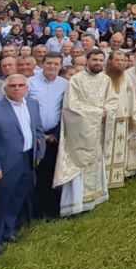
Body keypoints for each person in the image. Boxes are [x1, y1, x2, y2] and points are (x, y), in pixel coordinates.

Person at [0, 75, 44, 257]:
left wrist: (39, 153)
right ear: (5, 89)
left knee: (17, 198)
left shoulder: (32, 105)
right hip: (4, 162)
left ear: (27, 88)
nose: (17, 89)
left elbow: (38, 130)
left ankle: (8, 231)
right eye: (12, 86)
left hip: (27, 159)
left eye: (21, 85)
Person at [53, 50, 111, 217]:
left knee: (95, 162)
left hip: (98, 129)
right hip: (80, 131)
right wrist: (98, 112)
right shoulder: (76, 80)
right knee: (79, 162)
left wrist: (107, 111)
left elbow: (111, 102)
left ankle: (93, 199)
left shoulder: (106, 79)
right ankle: (75, 204)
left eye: (101, 60)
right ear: (87, 60)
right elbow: (71, 106)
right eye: (95, 59)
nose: (98, 63)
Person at [28, 53, 68, 221]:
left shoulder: (66, 84)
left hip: (54, 136)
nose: (52, 66)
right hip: (33, 136)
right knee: (35, 176)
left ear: (61, 66)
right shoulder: (30, 83)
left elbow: (67, 111)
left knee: (51, 174)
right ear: (42, 64)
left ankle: (51, 211)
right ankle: (34, 211)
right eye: (49, 63)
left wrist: (55, 134)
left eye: (56, 64)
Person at [102, 51, 136, 188]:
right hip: (105, 120)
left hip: (123, 118)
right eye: (117, 60)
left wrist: (133, 116)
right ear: (110, 61)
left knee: (119, 149)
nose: (121, 62)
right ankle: (103, 179)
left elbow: (131, 97)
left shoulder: (127, 78)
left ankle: (117, 176)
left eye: (123, 60)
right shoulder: (102, 78)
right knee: (106, 148)